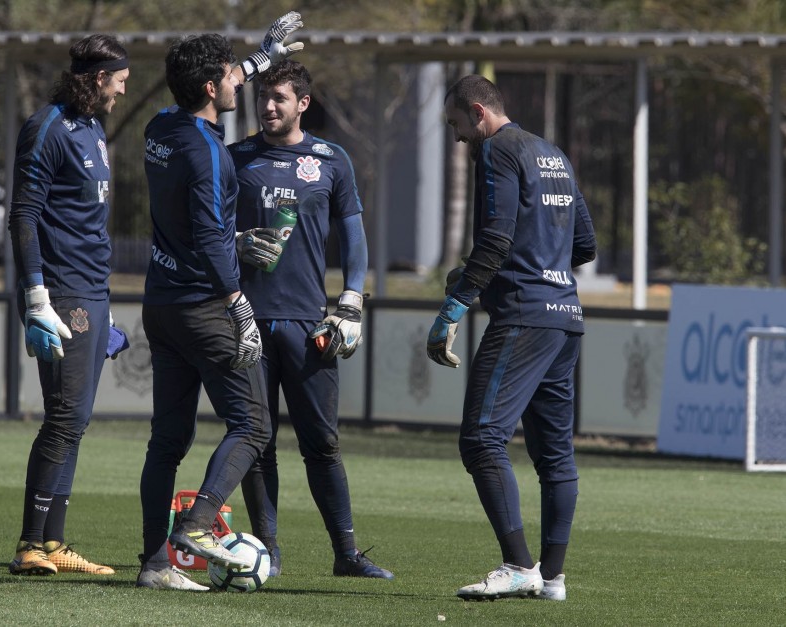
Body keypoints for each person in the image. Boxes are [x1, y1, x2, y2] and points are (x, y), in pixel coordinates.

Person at [137, 13, 304, 592]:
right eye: (234, 77)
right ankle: (200, 525)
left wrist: (261, 56)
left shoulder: (159, 128)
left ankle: (155, 566)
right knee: (253, 424)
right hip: (205, 306)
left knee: (168, 438)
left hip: (159, 303)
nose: (243, 84)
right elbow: (208, 235)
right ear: (212, 89)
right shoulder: (210, 153)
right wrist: (238, 303)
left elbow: (188, 223)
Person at [426, 74, 597, 601]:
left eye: (456, 123)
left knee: (481, 438)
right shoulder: (554, 154)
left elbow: (496, 237)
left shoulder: (497, 149)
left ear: (478, 112)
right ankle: (553, 579)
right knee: (555, 456)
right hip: (565, 317)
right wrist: (528, 267)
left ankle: (519, 565)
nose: (456, 137)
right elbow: (584, 245)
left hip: (523, 319)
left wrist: (454, 306)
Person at [228, 60, 393, 580]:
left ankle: (346, 554)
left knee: (321, 442)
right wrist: (234, 245)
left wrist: (351, 300)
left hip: (308, 324)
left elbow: (354, 239)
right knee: (257, 441)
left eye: (279, 97)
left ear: (303, 102)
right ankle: (267, 551)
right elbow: (204, 233)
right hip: (246, 320)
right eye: (263, 97)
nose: (268, 106)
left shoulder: (331, 160)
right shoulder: (234, 159)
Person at [7, 34, 130, 576]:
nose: (122, 93)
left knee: (75, 421)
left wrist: (107, 305)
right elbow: (24, 217)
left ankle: (54, 546)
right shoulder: (47, 127)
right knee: (63, 417)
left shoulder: (92, 129)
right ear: (99, 79)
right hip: (60, 292)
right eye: (120, 83)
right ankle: (30, 544)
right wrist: (37, 298)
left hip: (91, 291)